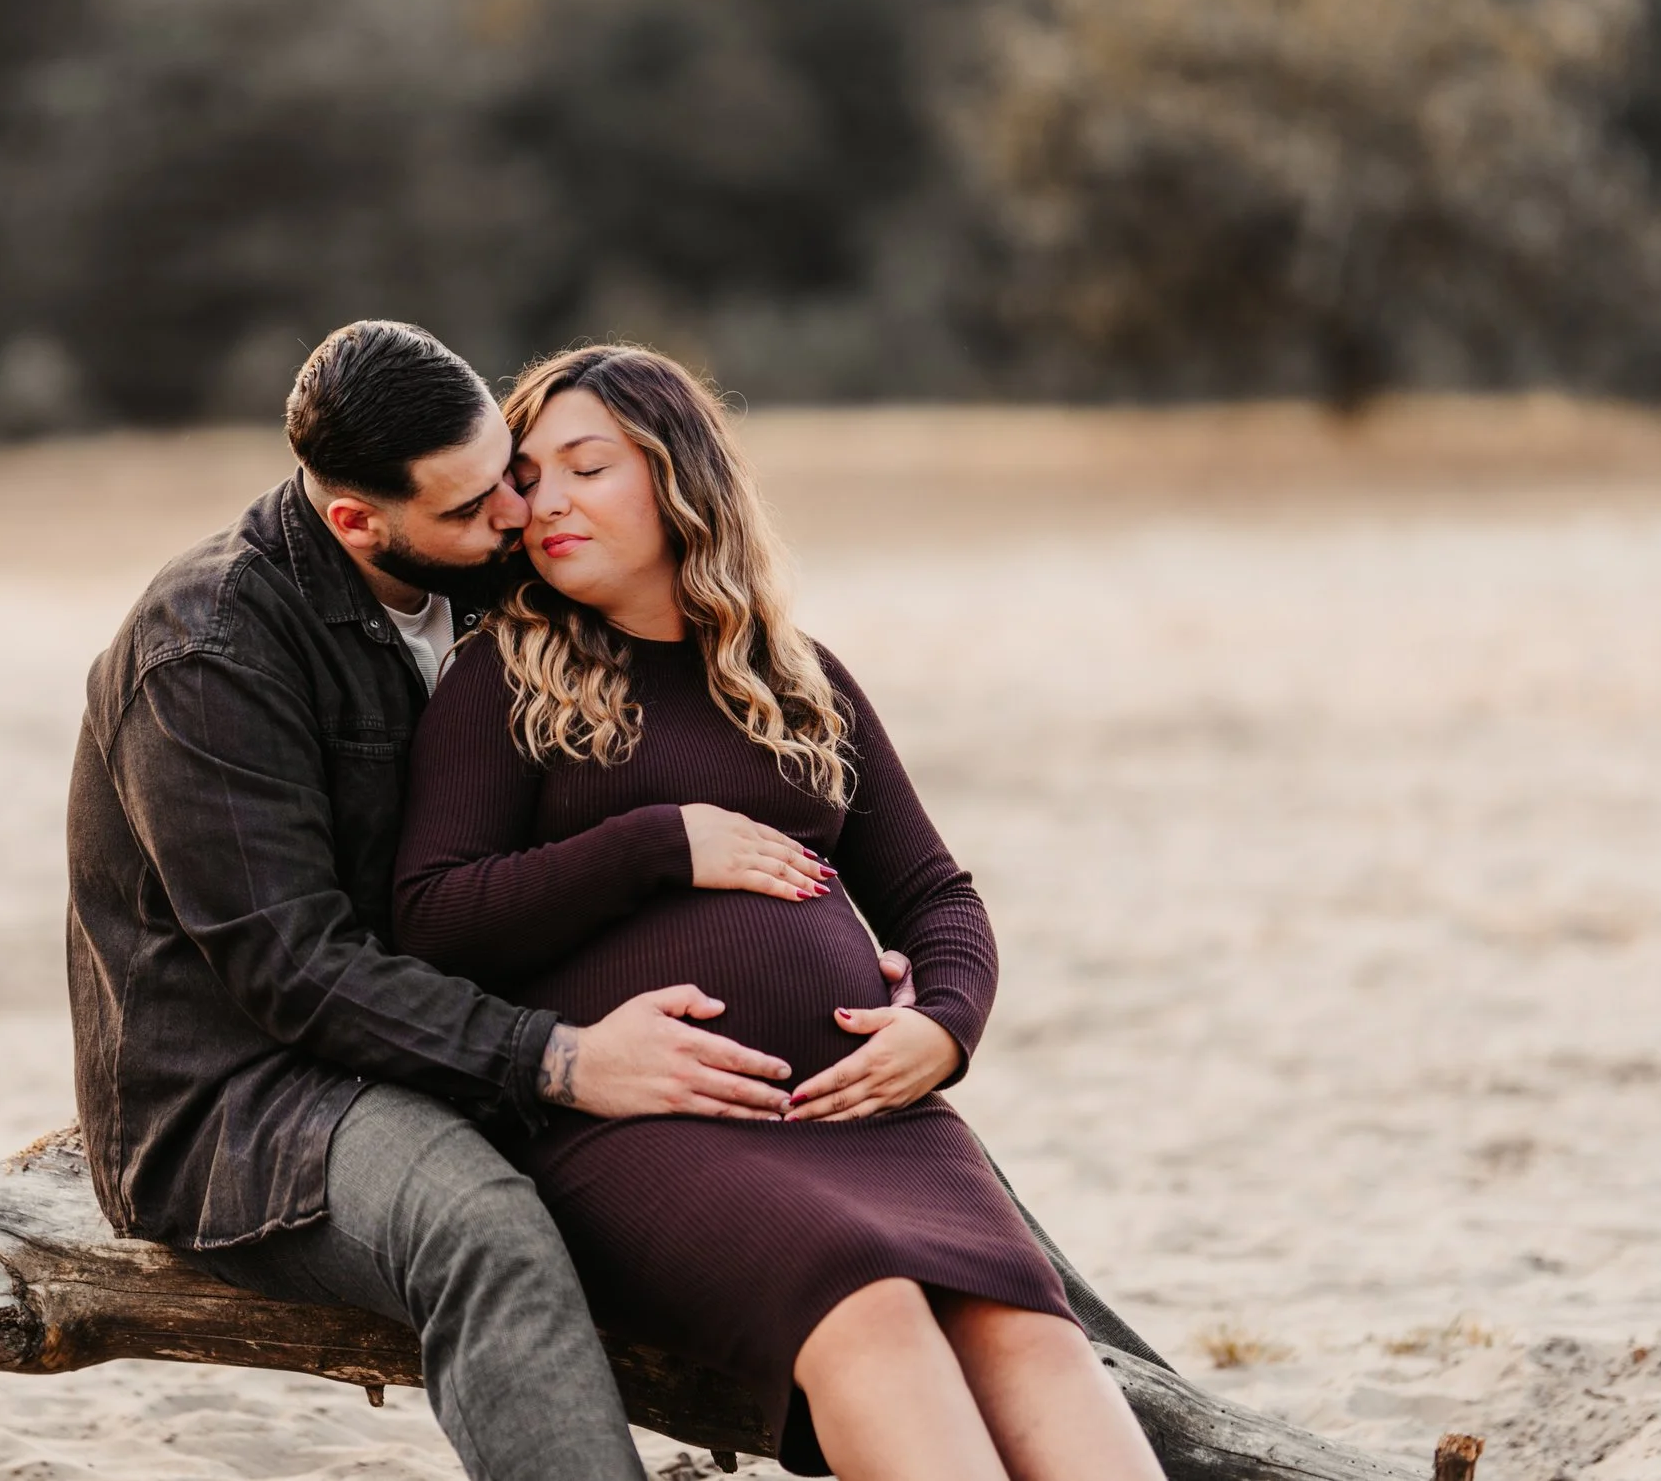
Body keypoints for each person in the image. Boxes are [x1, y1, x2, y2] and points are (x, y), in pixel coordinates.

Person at [65, 319, 925, 1481]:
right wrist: (561, 1059)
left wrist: (851, 967)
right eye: (474, 508)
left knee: (925, 1195)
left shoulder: (488, 571)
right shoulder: (209, 650)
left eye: (510, 478)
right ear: (357, 523)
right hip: (256, 1096)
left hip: (473, 1047)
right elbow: (294, 969)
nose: (516, 519)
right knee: (485, 1229)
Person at [391, 345, 1174, 1481]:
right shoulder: (503, 674)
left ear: (678, 477)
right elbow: (429, 914)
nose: (545, 499)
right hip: (648, 1124)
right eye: (528, 474)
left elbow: (934, 892)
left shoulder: (797, 677)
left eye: (587, 465)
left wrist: (943, 1024)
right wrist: (657, 842)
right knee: (871, 1311)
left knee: (1034, 1335)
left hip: (868, 1118)